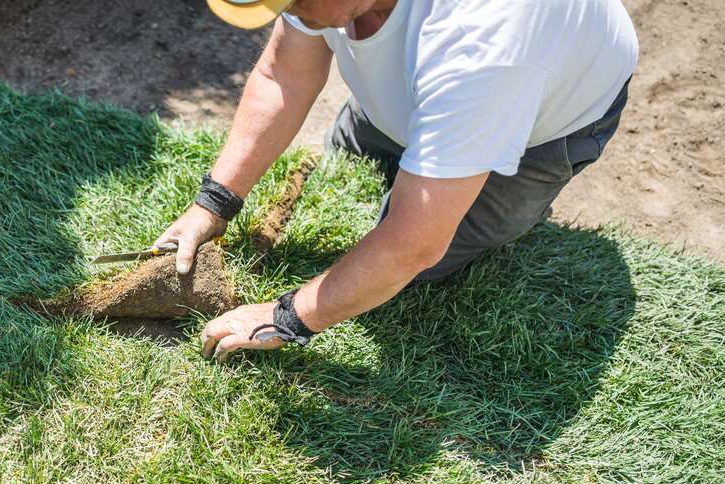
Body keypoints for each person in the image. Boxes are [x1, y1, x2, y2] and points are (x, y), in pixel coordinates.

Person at [154, 0, 637, 361]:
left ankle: (490, 173)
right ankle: (431, 138)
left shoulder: (482, 43)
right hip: (437, 84)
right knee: (349, 168)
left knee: (424, 263)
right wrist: (212, 203)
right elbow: (286, 72)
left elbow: (413, 245)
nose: (293, 13)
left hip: (548, 128)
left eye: (296, 1)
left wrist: (285, 317)